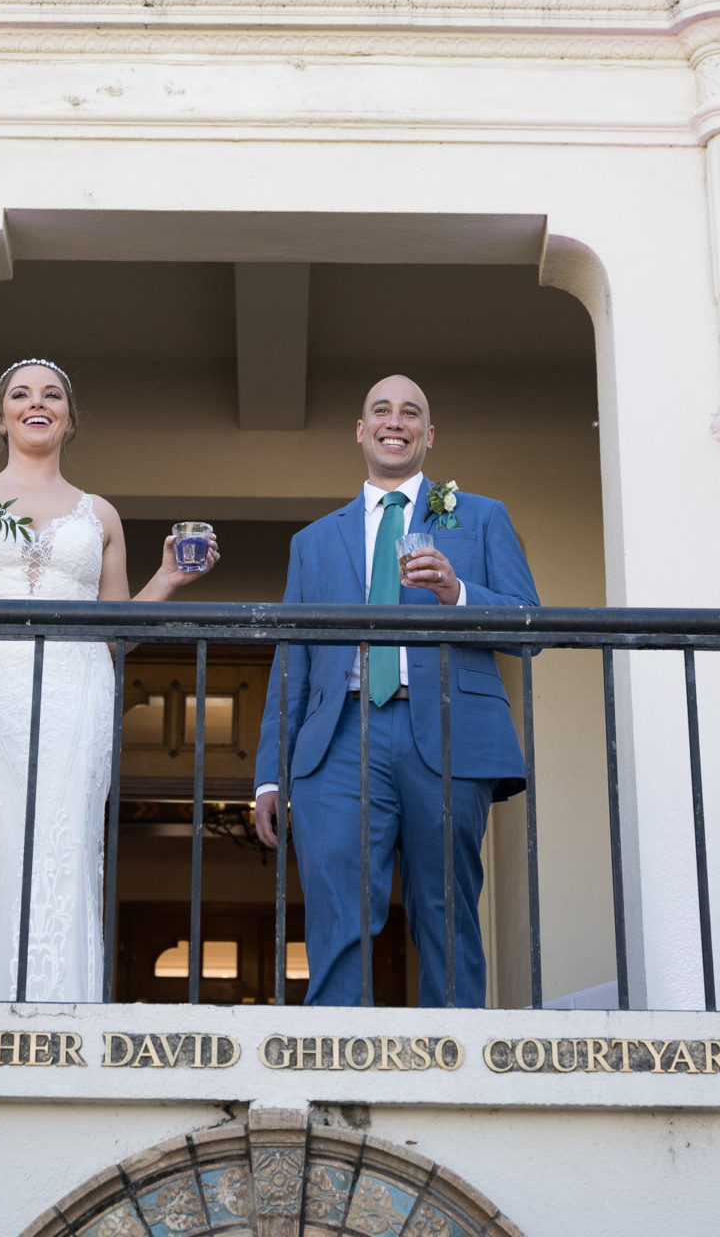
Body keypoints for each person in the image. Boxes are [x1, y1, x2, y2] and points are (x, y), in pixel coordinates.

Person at [0, 358, 218, 1001]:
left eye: (51, 395)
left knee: (62, 839)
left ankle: (53, 1003)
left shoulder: (99, 514)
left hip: (71, 694)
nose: (36, 403)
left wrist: (166, 580)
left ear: (69, 419)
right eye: (20, 395)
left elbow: (116, 634)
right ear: (1, 418)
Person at [253, 373, 537, 1008]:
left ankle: (457, 1060)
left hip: (447, 727)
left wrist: (457, 593)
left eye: (411, 413)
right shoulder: (313, 542)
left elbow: (530, 627)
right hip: (340, 739)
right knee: (337, 909)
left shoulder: (481, 517)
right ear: (361, 431)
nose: (395, 420)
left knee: (447, 907)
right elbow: (292, 659)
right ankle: (331, 1054)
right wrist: (271, 774)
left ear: (428, 436)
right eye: (381, 410)